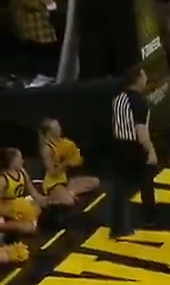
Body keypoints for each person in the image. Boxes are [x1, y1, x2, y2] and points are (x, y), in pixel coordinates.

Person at [108, 66, 157, 238]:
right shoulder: (139, 101)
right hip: (134, 146)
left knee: (120, 187)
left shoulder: (117, 98)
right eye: (144, 76)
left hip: (118, 144)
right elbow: (141, 130)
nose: (146, 79)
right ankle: (150, 217)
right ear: (137, 79)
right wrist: (150, 150)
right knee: (146, 181)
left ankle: (119, 226)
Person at [38, 118, 98, 208]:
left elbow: (75, 159)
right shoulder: (47, 149)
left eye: (59, 127)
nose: (60, 129)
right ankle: (48, 199)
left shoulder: (62, 143)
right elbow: (52, 173)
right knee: (69, 202)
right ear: (50, 132)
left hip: (64, 181)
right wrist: (66, 163)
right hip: (53, 184)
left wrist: (76, 158)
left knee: (95, 182)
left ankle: (68, 193)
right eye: (57, 127)